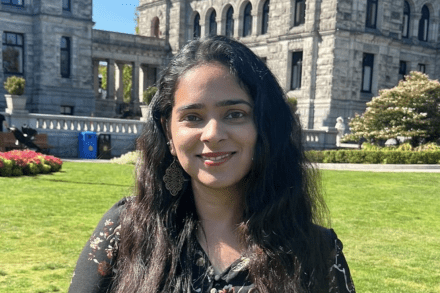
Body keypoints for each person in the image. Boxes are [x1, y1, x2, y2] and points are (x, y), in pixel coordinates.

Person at [69, 36, 355, 293]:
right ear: (168, 131)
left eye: (235, 114)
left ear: (263, 125)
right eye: (193, 117)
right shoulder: (125, 230)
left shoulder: (318, 252)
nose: (213, 134)